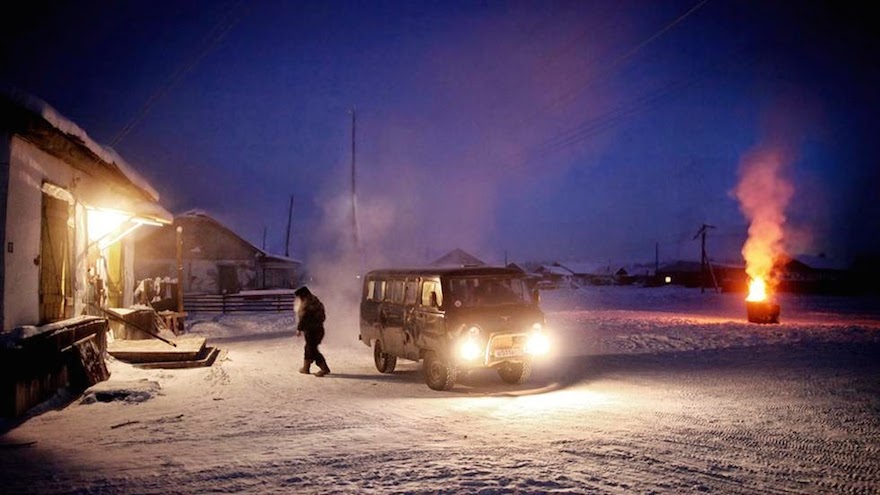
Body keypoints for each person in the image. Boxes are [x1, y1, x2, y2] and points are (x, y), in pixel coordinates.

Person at [293, 286, 331, 377]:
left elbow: (303, 317)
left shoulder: (306, 303)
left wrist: (299, 329)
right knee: (309, 347)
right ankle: (306, 368)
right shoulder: (315, 301)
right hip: (319, 329)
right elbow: (323, 316)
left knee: (312, 349)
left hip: (311, 330)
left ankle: (324, 368)